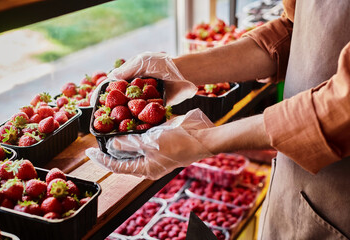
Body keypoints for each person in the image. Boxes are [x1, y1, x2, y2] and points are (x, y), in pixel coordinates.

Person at [86, 0, 350, 239]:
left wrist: (203, 140)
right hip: (295, 186)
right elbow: (296, 32)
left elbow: (342, 106)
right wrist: (178, 69)